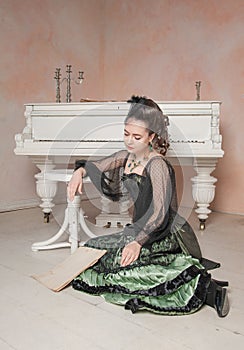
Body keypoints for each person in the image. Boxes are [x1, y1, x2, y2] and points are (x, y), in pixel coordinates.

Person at [67, 95, 229, 317]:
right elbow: (98, 165)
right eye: (126, 134)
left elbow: (160, 213)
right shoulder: (126, 156)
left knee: (118, 264)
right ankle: (180, 272)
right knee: (95, 248)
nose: (129, 141)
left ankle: (204, 287)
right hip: (138, 229)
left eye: (137, 136)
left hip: (162, 232)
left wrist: (137, 243)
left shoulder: (158, 165)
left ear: (152, 136)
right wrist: (80, 171)